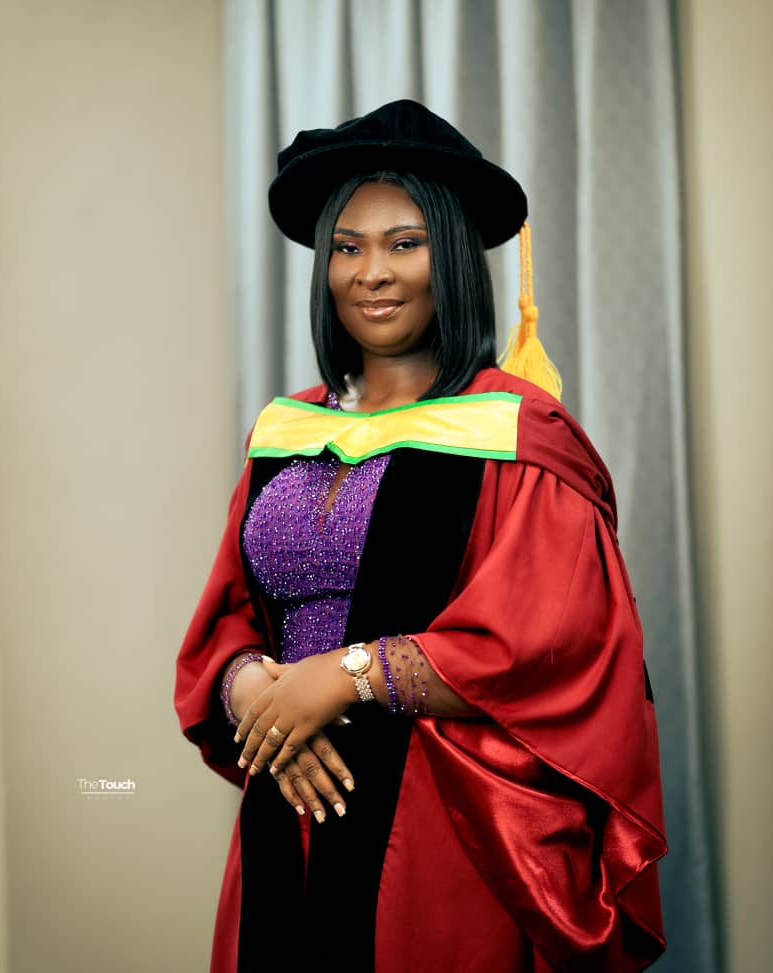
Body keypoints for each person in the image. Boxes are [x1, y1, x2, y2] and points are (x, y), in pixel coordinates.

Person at [175, 99, 667, 973]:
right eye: (348, 248)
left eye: (405, 243)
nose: (373, 272)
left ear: (454, 257)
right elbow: (229, 615)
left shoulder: (515, 432)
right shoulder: (285, 430)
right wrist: (252, 688)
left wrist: (347, 675)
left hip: (438, 821)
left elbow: (551, 640)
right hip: (288, 800)